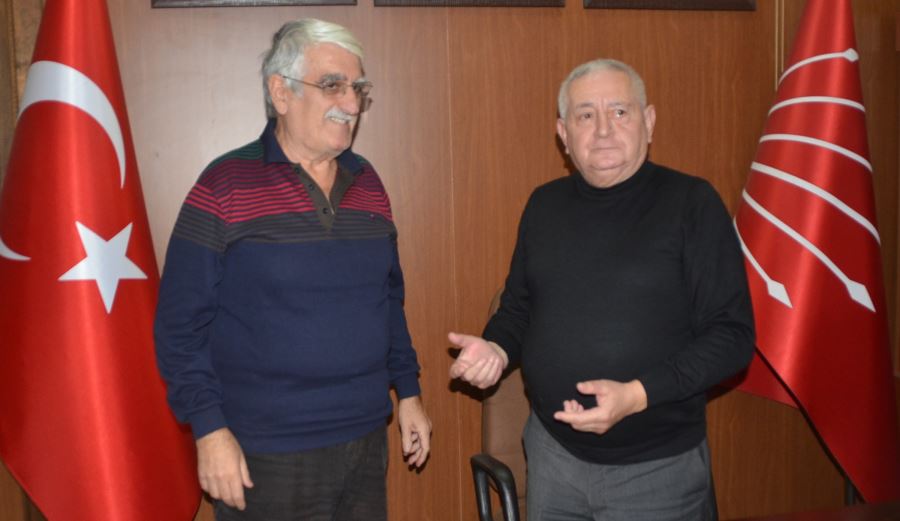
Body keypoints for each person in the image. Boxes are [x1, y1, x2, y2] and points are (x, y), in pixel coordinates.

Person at [449, 58, 754, 520]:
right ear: (563, 133)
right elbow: (519, 309)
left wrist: (637, 394)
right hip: (552, 459)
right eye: (586, 115)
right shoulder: (544, 205)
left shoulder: (692, 204)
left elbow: (732, 338)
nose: (604, 129)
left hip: (656, 471)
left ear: (649, 121)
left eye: (620, 111)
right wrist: (496, 348)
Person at [154, 18, 431, 521]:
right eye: (333, 85)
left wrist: (408, 392)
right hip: (264, 454)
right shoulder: (224, 185)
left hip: (366, 440)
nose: (351, 104)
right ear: (280, 92)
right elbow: (179, 327)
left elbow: (389, 301)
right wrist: (209, 430)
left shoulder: (368, 183)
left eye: (358, 89)